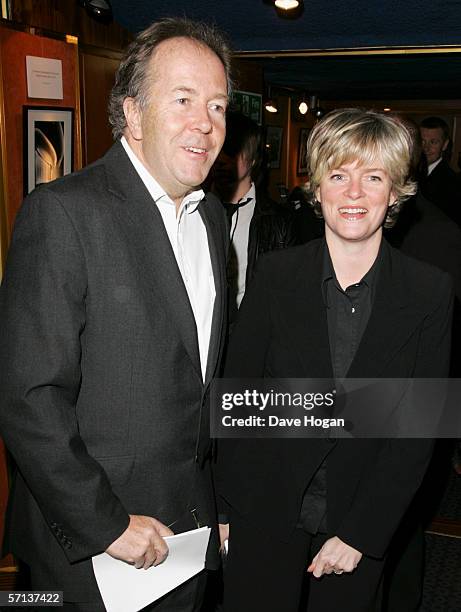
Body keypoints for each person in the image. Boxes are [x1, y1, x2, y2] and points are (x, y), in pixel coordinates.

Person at [0, 17, 231, 611]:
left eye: (217, 106)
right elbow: (29, 398)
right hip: (91, 552)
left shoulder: (210, 222)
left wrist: (220, 504)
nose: (205, 123)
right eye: (183, 100)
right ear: (131, 112)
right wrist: (107, 525)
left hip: (187, 536)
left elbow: (203, 385)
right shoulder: (63, 214)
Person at [216, 109, 453, 612]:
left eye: (373, 178)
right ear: (317, 188)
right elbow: (235, 400)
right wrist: (224, 508)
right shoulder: (275, 276)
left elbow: (418, 433)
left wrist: (361, 533)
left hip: (361, 516)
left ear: (395, 193)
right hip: (263, 507)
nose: (353, 194)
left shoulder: (430, 292)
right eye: (339, 176)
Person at [211, 111, 297, 313]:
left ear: (253, 160)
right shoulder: (191, 211)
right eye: (216, 149)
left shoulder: (280, 222)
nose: (221, 159)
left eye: (231, 151)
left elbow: (289, 293)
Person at [419, 116, 461, 225]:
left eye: (433, 142)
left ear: (445, 145)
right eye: (422, 141)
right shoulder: (408, 174)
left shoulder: (453, 183)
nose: (426, 148)